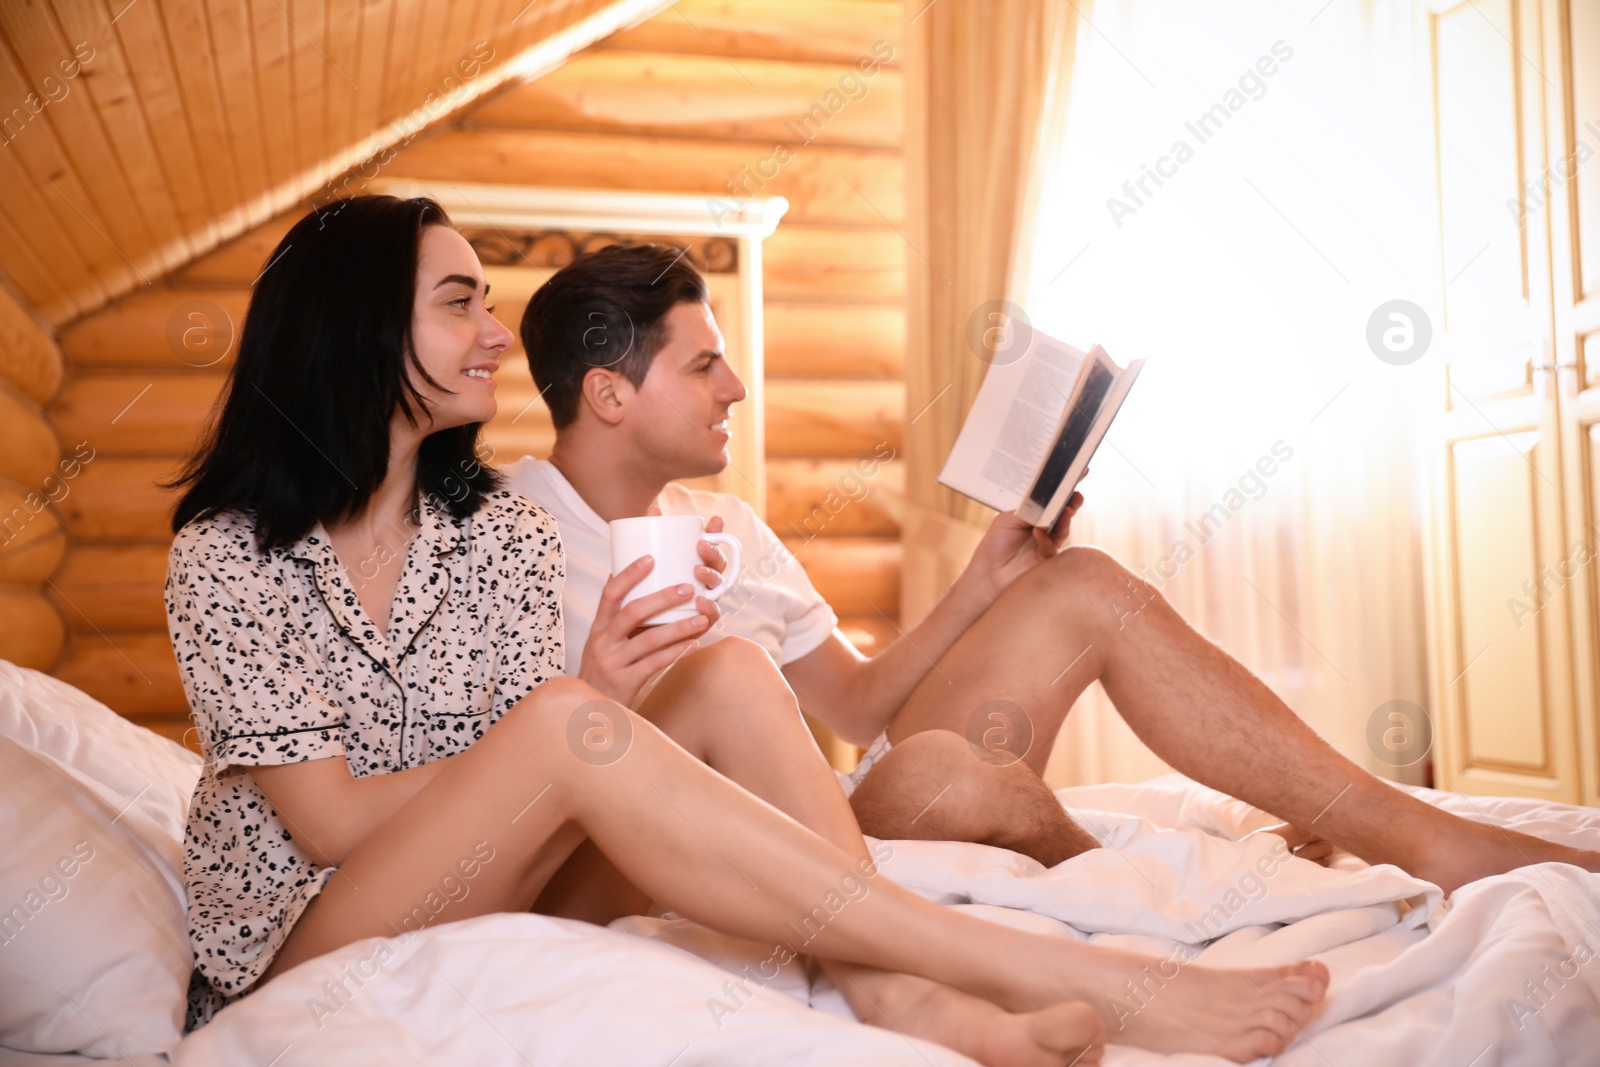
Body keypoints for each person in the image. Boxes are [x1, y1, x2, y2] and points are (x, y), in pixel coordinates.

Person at [163, 195, 1329, 1066]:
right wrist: (577, 716)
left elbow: (535, 771)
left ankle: (897, 992)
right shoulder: (229, 552)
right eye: (460, 300)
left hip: (498, 880)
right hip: (307, 932)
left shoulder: (491, 534)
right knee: (570, 716)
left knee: (723, 666)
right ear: (359, 326)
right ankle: (1057, 967)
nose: (496, 334)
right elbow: (326, 816)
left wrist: (595, 703)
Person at [504, 242, 1600, 902]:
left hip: (832, 809)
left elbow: (852, 701)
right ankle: (1155, 887)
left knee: (1079, 590)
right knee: (951, 782)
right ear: (609, 393)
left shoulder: (725, 522)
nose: (735, 385)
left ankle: (1407, 831)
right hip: (680, 853)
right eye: (704, 365)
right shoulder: (500, 539)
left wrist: (985, 579)